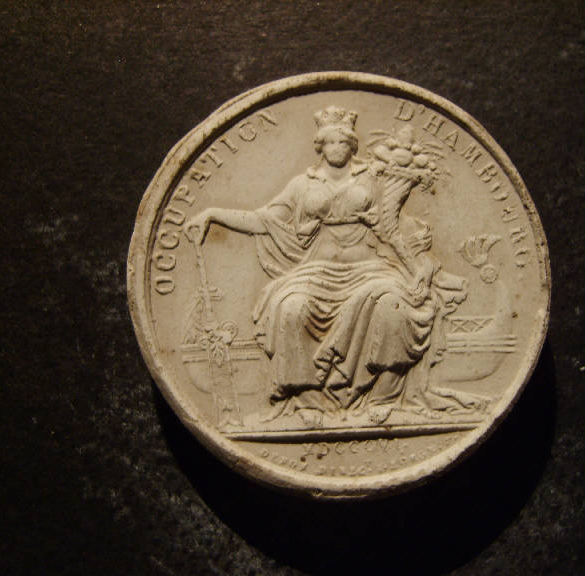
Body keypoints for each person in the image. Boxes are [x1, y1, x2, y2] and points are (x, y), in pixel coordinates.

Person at [187, 106, 467, 426]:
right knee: (291, 307)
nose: (337, 148)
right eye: (330, 142)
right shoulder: (301, 185)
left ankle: (384, 396)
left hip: (372, 268)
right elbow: (262, 221)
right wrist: (213, 214)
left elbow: (395, 227)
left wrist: (420, 266)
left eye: (343, 142)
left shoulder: (373, 178)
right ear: (319, 146)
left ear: (353, 145)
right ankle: (307, 399)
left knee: (393, 305)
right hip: (316, 271)